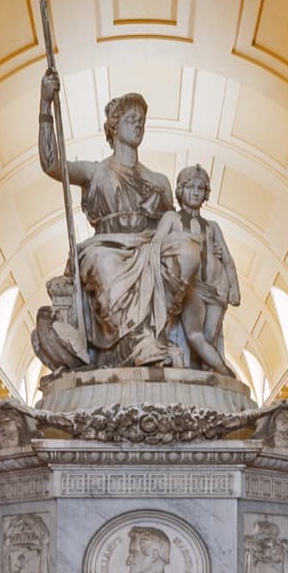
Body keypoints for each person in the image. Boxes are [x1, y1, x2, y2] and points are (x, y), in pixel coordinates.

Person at [38, 69, 176, 366]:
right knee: (103, 261)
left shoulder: (159, 181)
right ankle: (134, 345)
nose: (138, 123)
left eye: (142, 120)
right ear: (113, 128)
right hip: (106, 245)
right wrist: (45, 105)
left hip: (148, 244)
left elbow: (174, 226)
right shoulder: (95, 171)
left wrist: (161, 222)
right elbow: (51, 164)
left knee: (182, 253)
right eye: (131, 119)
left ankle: (160, 338)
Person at [154, 164, 240, 376]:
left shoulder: (213, 226)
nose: (195, 192)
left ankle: (209, 377)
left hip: (218, 287)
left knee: (209, 337)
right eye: (190, 186)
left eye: (200, 188)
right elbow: (156, 245)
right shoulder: (171, 219)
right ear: (180, 190)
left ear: (206, 193)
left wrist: (235, 289)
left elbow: (228, 260)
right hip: (192, 289)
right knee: (196, 337)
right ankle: (225, 373)